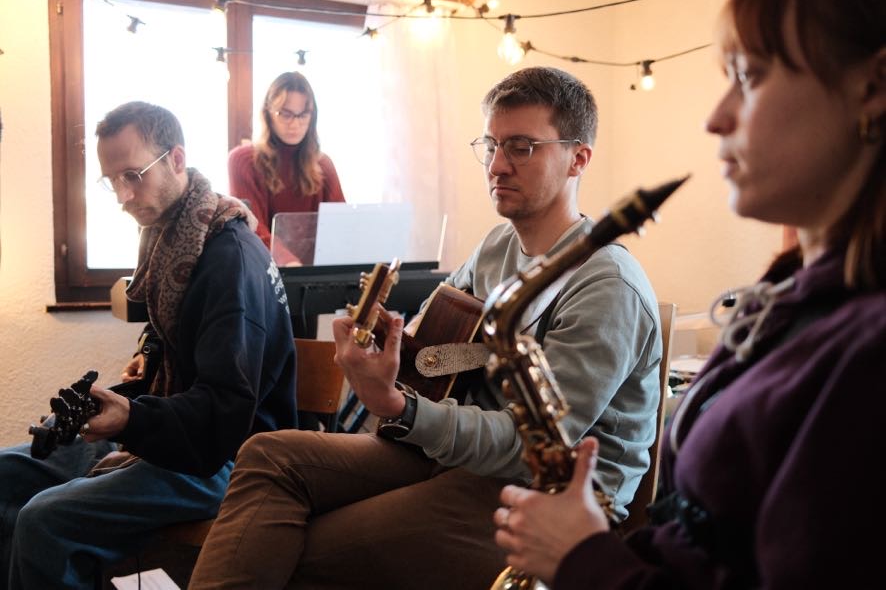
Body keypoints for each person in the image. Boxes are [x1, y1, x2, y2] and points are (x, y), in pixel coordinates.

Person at [189, 66, 663, 589]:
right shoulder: (497, 247)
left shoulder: (607, 285)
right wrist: (384, 356)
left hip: (547, 498)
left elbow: (526, 444)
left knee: (295, 545)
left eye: (522, 147)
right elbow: (429, 350)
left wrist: (401, 408)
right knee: (268, 456)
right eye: (491, 145)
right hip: (458, 459)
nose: (497, 165)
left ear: (579, 158)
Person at [493, 0, 886, 588]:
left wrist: (586, 558)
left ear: (873, 89)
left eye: (749, 77)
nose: (715, 119)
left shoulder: (870, 350)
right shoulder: (789, 296)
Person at [0, 101, 298, 589]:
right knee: (6, 473)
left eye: (133, 175)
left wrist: (131, 420)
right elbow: (171, 329)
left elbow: (224, 412)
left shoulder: (228, 259)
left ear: (176, 159)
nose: (123, 195)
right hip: (179, 433)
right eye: (111, 181)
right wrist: (149, 356)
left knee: (43, 521)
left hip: (231, 459)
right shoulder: (176, 235)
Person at [228, 71, 345, 252]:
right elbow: (251, 226)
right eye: (285, 114)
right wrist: (287, 261)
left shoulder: (323, 164)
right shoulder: (243, 161)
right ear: (268, 114)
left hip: (316, 266)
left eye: (303, 115)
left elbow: (341, 226)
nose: (295, 124)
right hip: (265, 265)